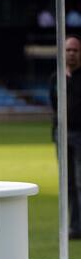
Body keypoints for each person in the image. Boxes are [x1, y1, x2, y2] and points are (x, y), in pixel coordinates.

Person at [50, 35, 81, 239]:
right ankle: (74, 226)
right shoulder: (56, 78)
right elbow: (54, 105)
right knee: (68, 183)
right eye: (68, 50)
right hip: (62, 136)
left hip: (80, 135)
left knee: (80, 182)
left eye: (75, 50)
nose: (71, 53)